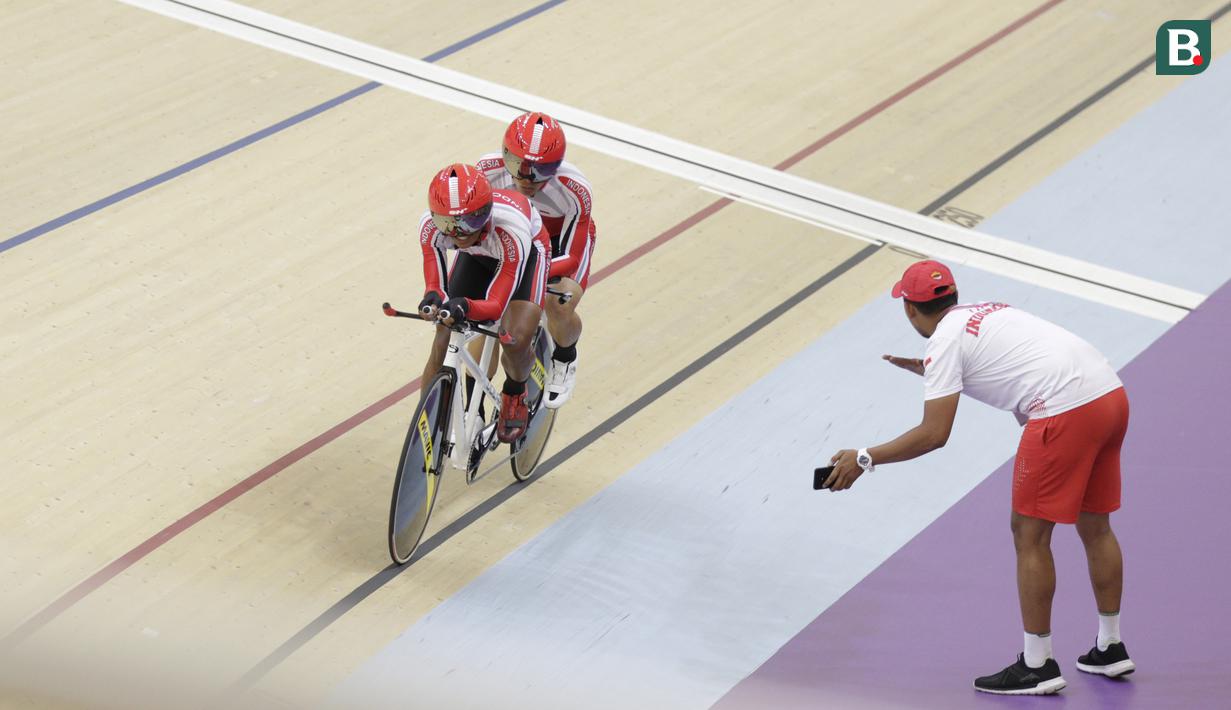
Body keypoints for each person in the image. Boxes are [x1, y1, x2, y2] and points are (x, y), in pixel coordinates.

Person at [826, 260, 1134, 696]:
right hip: (1110, 396)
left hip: (1063, 412)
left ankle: (1037, 665)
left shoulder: (945, 341)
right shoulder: (985, 312)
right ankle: (1110, 647)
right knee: (1096, 525)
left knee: (1030, 534)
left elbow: (934, 435)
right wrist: (934, 370)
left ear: (910, 311)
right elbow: (1002, 359)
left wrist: (864, 459)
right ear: (951, 295)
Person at [417, 163, 549, 443]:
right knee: (443, 330)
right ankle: (427, 424)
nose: (458, 234)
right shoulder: (432, 229)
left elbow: (496, 306)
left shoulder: (511, 232)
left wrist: (464, 304)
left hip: (525, 257)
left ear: (485, 213)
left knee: (514, 338)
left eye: (468, 223)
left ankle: (515, 392)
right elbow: (435, 286)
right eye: (448, 224)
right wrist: (433, 299)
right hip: (478, 255)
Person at [476, 111, 596, 409]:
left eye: (542, 171)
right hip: (512, 242)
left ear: (557, 167)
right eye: (518, 166)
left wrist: (526, 275)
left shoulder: (574, 190)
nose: (528, 179)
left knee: (559, 303)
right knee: (484, 320)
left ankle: (565, 356)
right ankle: (473, 400)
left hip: (559, 248)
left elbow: (571, 257)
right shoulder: (487, 172)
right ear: (505, 156)